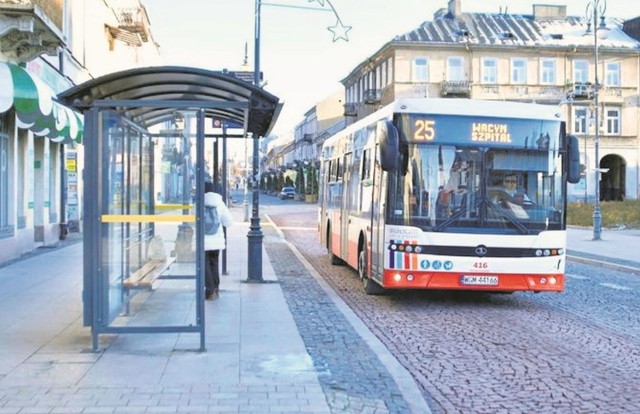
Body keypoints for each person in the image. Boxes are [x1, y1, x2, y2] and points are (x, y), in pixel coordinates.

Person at [204, 181, 233, 300]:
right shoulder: (219, 203)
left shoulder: (199, 203)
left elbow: (192, 221)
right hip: (217, 240)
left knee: (205, 265)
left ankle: (210, 291)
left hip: (203, 241)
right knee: (214, 264)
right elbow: (228, 222)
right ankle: (215, 288)